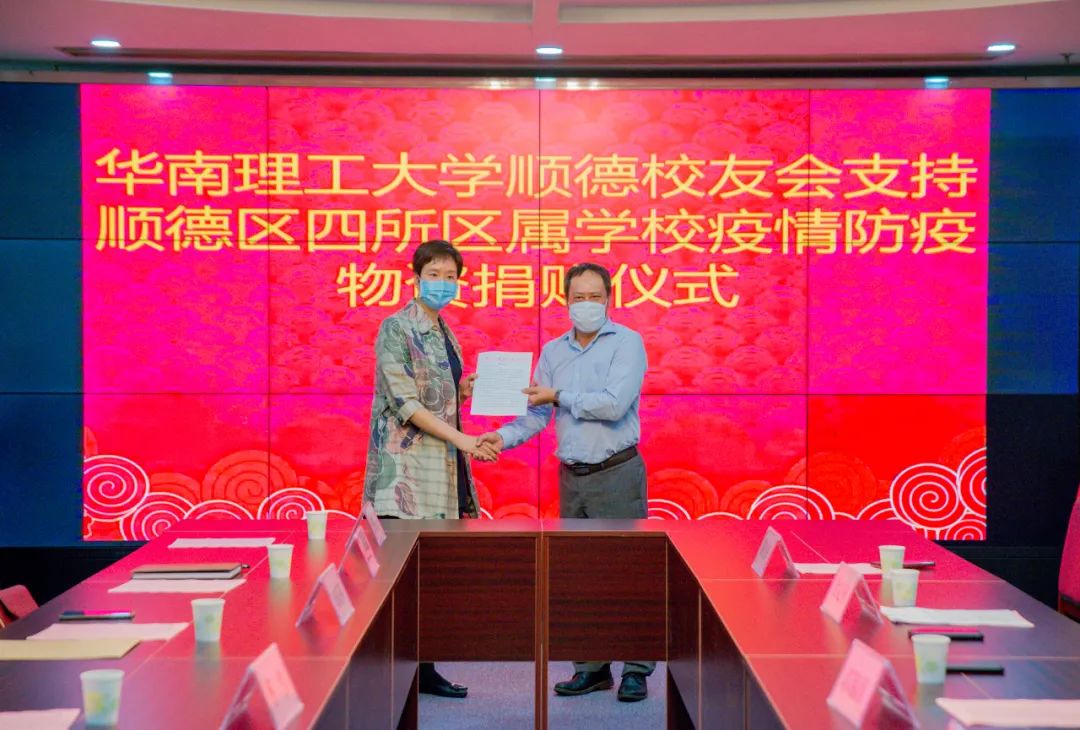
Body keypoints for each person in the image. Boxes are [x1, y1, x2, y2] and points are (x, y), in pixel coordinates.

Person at [478, 262, 653, 703]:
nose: (587, 304)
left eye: (595, 297)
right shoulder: (554, 351)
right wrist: (502, 437)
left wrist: (559, 395)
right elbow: (537, 413)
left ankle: (636, 668)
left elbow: (613, 405)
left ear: (609, 299)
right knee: (579, 575)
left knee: (628, 574)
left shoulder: (627, 342)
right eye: (579, 298)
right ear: (566, 301)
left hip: (617, 472)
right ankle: (591, 668)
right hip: (573, 477)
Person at [363, 239, 496, 699]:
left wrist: (465, 389)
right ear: (416, 277)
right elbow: (405, 403)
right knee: (401, 576)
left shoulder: (445, 331)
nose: (443, 283)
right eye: (434, 274)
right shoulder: (396, 328)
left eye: (451, 276)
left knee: (430, 573)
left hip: (441, 468)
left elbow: (438, 396)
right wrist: (465, 441)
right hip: (405, 473)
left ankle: (423, 668)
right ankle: (391, 675)